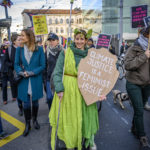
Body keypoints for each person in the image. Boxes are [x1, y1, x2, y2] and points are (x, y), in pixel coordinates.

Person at [49, 29, 106, 150]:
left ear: (86, 40)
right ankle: (71, 141)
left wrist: (101, 91)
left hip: (86, 90)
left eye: (82, 39)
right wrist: (59, 88)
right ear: (74, 39)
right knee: (71, 118)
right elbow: (58, 72)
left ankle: (90, 141)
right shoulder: (65, 52)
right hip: (69, 90)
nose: (79, 41)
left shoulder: (92, 54)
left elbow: (99, 75)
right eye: (77, 38)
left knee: (87, 115)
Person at [14, 28, 45, 137]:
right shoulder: (19, 49)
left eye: (23, 35)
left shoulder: (39, 49)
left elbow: (42, 66)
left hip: (35, 79)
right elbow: (16, 64)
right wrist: (21, 72)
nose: (21, 37)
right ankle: (27, 124)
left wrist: (31, 72)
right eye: (20, 35)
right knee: (26, 103)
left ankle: (35, 120)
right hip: (24, 80)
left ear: (29, 36)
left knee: (35, 102)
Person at [124, 26, 150, 150]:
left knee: (139, 108)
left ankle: (135, 127)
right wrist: (144, 56)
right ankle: (142, 136)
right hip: (133, 84)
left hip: (147, 84)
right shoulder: (135, 47)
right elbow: (127, 65)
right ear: (147, 34)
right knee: (139, 110)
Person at [44, 32, 63, 110]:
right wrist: (45, 79)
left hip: (60, 79)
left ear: (58, 41)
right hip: (49, 79)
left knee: (59, 98)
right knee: (49, 98)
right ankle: (51, 113)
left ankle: (58, 114)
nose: (51, 42)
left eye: (53, 40)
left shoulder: (63, 51)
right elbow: (44, 66)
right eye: (50, 40)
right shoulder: (47, 52)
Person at [9, 34, 23, 116]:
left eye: (21, 40)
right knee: (17, 94)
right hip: (14, 75)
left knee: (24, 92)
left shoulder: (22, 48)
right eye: (19, 40)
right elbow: (5, 62)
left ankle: (26, 107)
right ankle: (20, 108)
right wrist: (14, 65)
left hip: (23, 73)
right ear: (14, 41)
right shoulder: (9, 50)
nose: (20, 41)